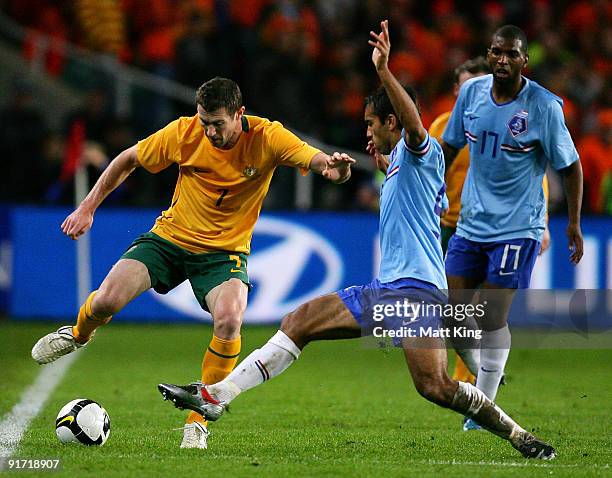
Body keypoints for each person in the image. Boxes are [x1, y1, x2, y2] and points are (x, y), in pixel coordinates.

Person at [158, 20, 557, 459]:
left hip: (417, 292)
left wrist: (384, 71)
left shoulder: (423, 150)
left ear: (391, 120)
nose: (366, 130)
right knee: (300, 321)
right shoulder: (401, 163)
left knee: (436, 386)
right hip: (389, 289)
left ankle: (520, 436)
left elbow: (413, 125)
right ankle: (216, 397)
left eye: (371, 122)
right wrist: (385, 161)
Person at [31, 77, 355, 449]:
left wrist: (335, 169)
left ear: (239, 114)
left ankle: (197, 419)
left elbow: (316, 161)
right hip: (170, 239)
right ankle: (76, 335)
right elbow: (128, 159)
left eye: (218, 123)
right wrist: (87, 207)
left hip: (223, 253)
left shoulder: (267, 137)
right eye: (205, 122)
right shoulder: (183, 134)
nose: (210, 132)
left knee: (231, 318)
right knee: (105, 301)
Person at [439, 25, 583, 430]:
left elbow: (570, 167)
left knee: (489, 316)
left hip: (519, 227)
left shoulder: (543, 107)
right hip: (471, 223)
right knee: (454, 314)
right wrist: (435, 187)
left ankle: (483, 406)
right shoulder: (471, 93)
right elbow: (449, 146)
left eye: (511, 54)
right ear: (489, 54)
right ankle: (489, 372)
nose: (502, 60)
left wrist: (572, 222)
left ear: (525, 61)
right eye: (496, 52)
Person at [429, 57, 551, 394]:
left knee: (481, 308)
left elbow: (534, 174)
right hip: (445, 228)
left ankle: (474, 380)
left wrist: (544, 223)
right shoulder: (441, 128)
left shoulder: (508, 122)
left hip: (494, 228)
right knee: (451, 309)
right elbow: (428, 170)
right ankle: (482, 370)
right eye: (467, 85)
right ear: (457, 90)